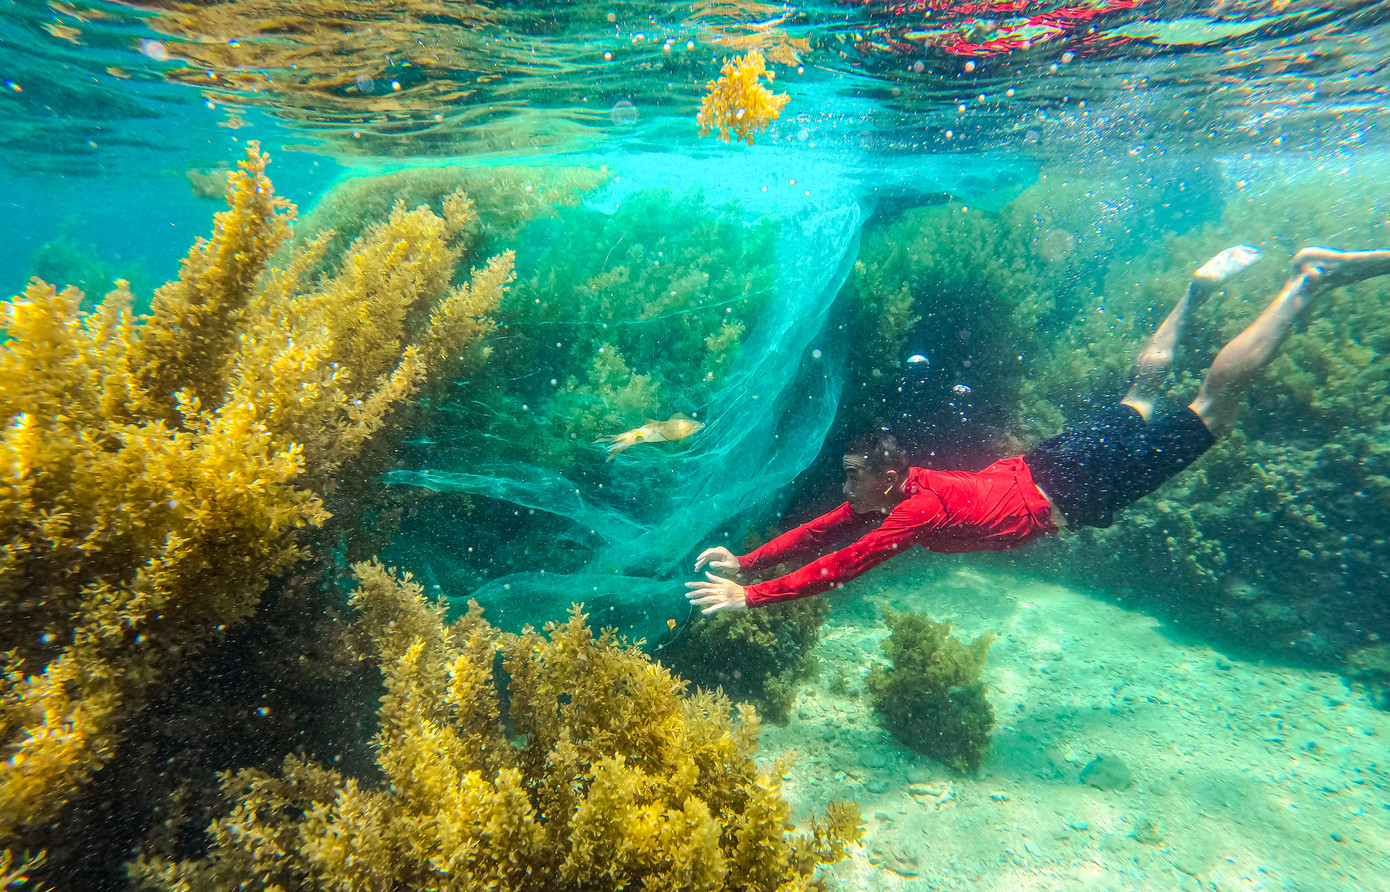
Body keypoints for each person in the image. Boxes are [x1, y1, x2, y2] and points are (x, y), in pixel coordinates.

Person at [686, 245, 1390, 613]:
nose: (844, 489)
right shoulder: (899, 488)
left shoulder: (913, 510)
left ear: (889, 476)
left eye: (851, 477)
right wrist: (746, 562)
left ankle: (1307, 282)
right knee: (1141, 394)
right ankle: (1195, 291)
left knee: (1211, 411)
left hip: (1071, 489)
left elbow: (844, 562)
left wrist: (751, 596)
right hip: (1048, 465)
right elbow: (822, 532)